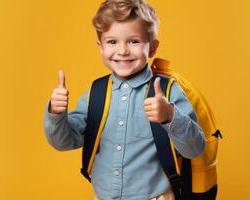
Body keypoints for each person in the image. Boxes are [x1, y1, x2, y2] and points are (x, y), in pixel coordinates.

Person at [43, 0, 206, 199]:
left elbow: (195, 148)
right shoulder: (96, 92)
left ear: (152, 48)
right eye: (112, 42)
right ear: (101, 47)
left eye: (134, 41)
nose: (122, 51)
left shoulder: (166, 91)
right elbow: (65, 142)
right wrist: (56, 113)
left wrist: (170, 116)